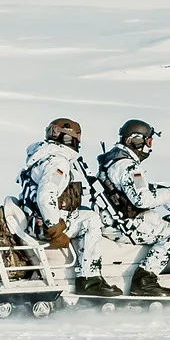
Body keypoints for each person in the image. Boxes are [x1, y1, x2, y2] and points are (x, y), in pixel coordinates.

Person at [18, 117, 114, 297]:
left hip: (33, 220)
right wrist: (55, 229)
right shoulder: (58, 162)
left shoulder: (42, 157)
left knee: (83, 213)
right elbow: (46, 195)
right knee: (91, 220)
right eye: (78, 137)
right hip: (43, 226)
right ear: (70, 138)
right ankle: (89, 278)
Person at [95, 119, 170, 297]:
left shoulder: (113, 160)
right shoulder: (128, 166)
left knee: (162, 222)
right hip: (124, 225)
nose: (149, 147)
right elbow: (141, 199)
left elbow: (131, 191)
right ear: (136, 140)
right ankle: (144, 281)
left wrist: (159, 189)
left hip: (114, 220)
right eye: (148, 141)